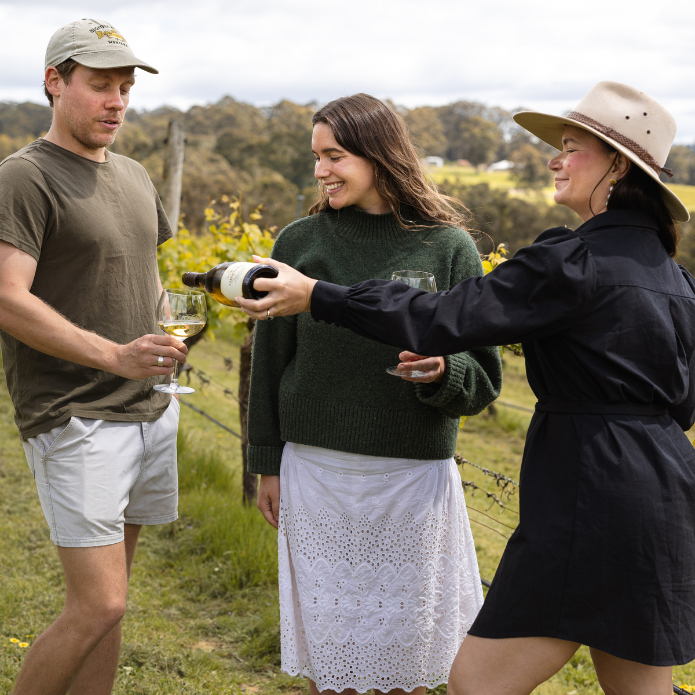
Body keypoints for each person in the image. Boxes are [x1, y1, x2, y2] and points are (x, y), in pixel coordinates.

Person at [237, 81, 695, 695]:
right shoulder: (677, 280)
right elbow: (684, 404)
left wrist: (321, 295)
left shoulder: (570, 262)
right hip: (664, 495)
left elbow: (440, 320)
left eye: (570, 148)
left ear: (619, 165)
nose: (554, 159)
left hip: (587, 491)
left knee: (477, 683)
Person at [246, 94, 502, 695]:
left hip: (413, 481)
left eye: (334, 155)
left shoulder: (447, 247)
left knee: (409, 654)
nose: (320, 171)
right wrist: (266, 465)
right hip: (315, 474)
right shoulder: (299, 242)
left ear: (380, 155)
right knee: (333, 654)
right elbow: (270, 363)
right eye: (316, 157)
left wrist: (445, 373)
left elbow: (484, 375)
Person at [0, 19, 186, 695]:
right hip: (74, 415)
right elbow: (7, 297)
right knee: (97, 604)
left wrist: (166, 328)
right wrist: (114, 354)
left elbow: (144, 277)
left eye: (125, 87)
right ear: (55, 82)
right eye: (100, 85)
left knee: (114, 606)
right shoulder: (23, 178)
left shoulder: (135, 175)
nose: (117, 101)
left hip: (147, 408)